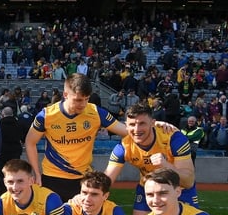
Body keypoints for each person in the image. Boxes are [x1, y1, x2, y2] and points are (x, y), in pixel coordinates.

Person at [25, 73, 172, 202]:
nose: (82, 104)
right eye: (77, 100)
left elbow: (127, 131)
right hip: (52, 178)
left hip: (82, 180)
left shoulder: (95, 112)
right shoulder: (47, 115)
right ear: (65, 95)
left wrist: (151, 124)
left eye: (86, 99)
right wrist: (36, 173)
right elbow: (30, 142)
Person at [105, 103, 197, 215]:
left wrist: (166, 165)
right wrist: (85, 194)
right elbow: (106, 180)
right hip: (147, 187)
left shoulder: (174, 138)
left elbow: (188, 181)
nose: (137, 130)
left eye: (142, 123)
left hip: (178, 188)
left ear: (153, 123)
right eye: (132, 124)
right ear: (126, 126)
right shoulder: (123, 147)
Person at [0, 107, 23, 195]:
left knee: (1, 175)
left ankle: (2, 193)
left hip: (1, 153)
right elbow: (23, 138)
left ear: (2, 115)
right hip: (15, 153)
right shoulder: (19, 124)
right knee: (14, 173)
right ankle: (15, 191)